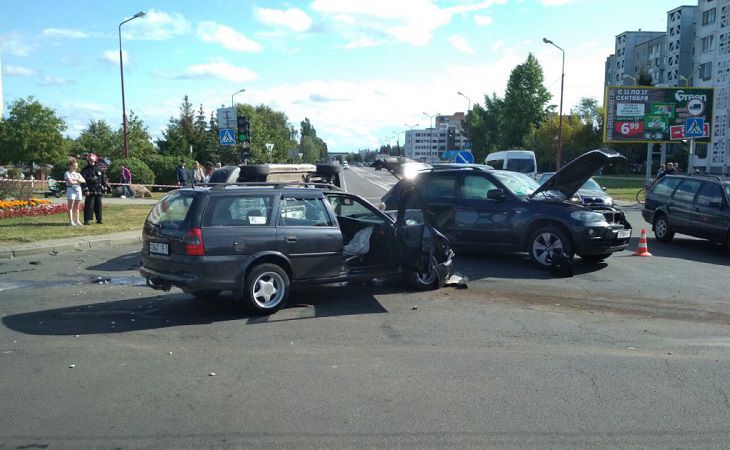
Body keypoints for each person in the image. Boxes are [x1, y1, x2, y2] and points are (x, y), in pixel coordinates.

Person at [80, 153, 109, 225]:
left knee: (98, 205)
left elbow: (103, 179)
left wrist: (105, 186)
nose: (91, 162)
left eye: (93, 161)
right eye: (90, 160)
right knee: (89, 206)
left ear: (95, 160)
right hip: (90, 190)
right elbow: (83, 181)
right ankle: (87, 220)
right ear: (88, 161)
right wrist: (85, 189)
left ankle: (99, 219)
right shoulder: (85, 170)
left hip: (98, 190)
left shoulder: (99, 169)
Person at [64, 158, 85, 226]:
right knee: (71, 207)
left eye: (76, 166)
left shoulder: (78, 174)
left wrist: (76, 179)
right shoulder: (67, 173)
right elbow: (70, 182)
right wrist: (78, 181)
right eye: (74, 166)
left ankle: (77, 221)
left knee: (77, 207)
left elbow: (84, 181)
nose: (75, 167)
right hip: (71, 190)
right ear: (70, 166)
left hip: (78, 190)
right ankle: (71, 221)